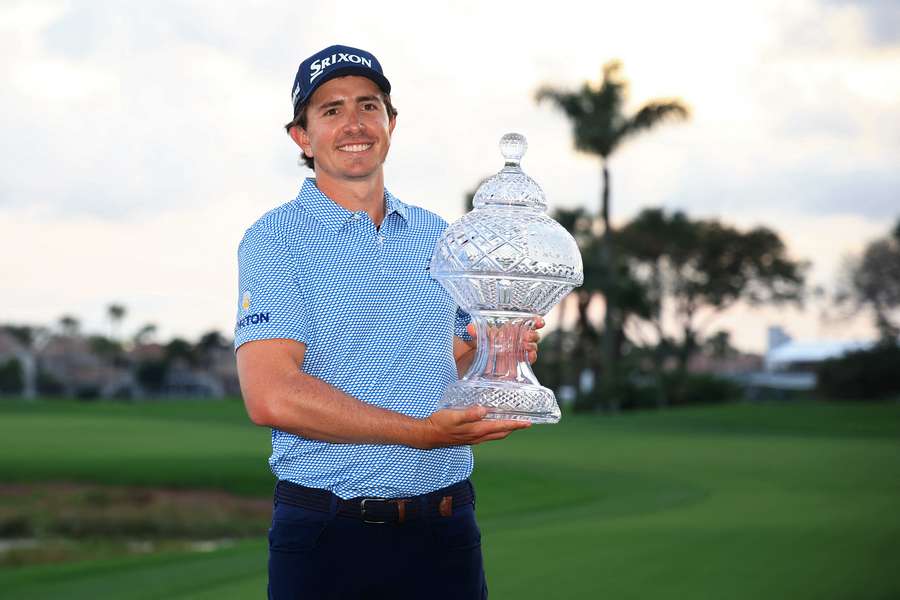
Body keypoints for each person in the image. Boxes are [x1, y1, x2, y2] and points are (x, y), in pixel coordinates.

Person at [234, 44, 542, 600]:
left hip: (446, 528)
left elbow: (439, 356)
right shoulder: (274, 240)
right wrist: (423, 435)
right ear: (302, 136)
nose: (354, 123)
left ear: (391, 123)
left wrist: (498, 349)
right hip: (329, 536)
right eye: (330, 111)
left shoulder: (441, 235)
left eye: (368, 106)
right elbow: (272, 396)